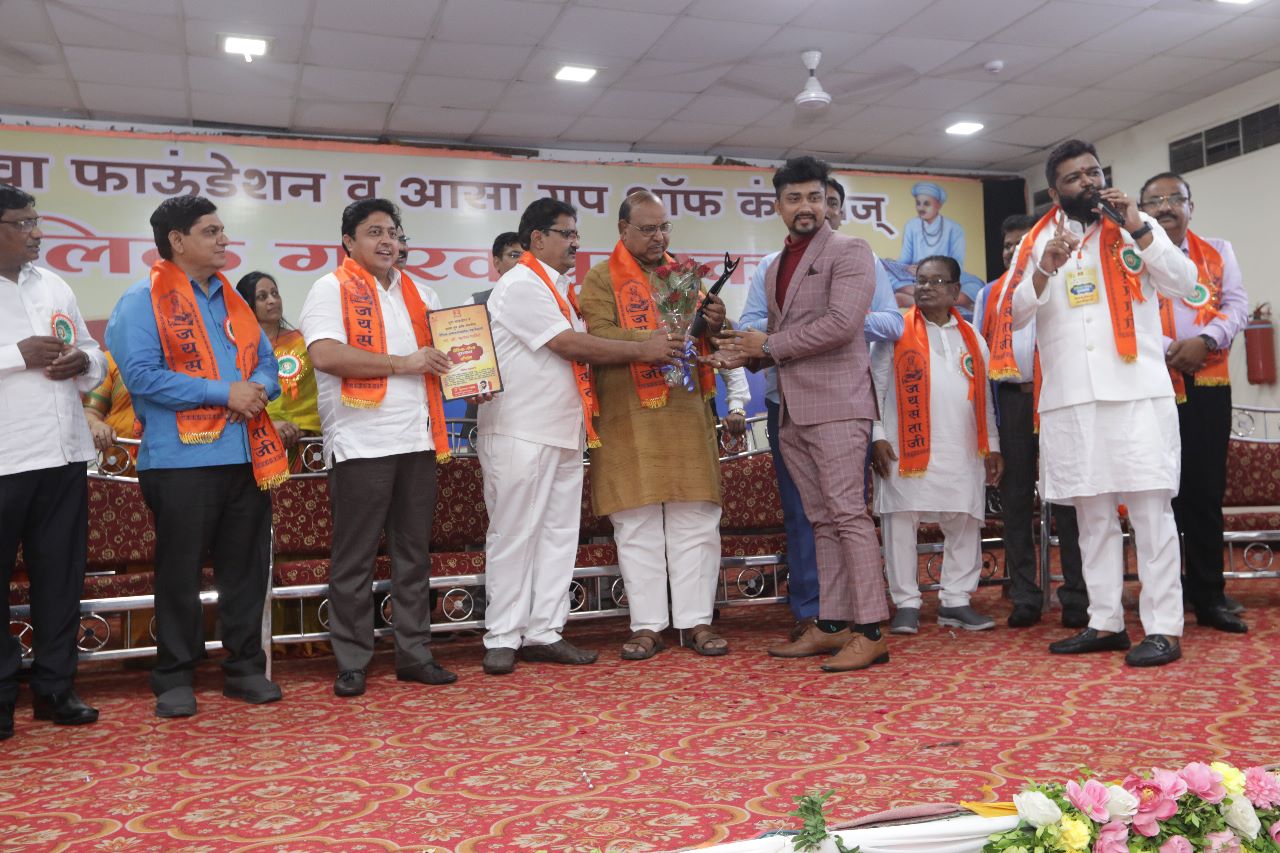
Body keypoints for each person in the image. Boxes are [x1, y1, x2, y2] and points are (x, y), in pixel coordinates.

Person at [1011, 139, 1198, 667]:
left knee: (1151, 515)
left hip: (1137, 395)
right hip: (1073, 401)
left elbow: (1184, 284)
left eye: (1094, 172)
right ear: (1055, 192)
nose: (1088, 183)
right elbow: (1016, 314)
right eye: (1074, 178)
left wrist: (1138, 226)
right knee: (1092, 518)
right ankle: (1105, 622)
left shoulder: (1136, 225)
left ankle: (1163, 628)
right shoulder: (1037, 239)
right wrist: (1045, 269)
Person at [477, 198, 676, 675]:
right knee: (514, 534)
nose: (576, 243)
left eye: (576, 234)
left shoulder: (560, 288)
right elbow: (567, 345)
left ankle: (544, 631)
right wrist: (642, 349)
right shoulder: (521, 284)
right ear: (537, 238)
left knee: (558, 535)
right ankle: (502, 635)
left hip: (565, 430)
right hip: (521, 430)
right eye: (566, 234)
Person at [107, 194, 286, 717]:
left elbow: (268, 362)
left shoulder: (233, 300)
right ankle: (174, 675)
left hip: (244, 455)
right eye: (211, 231)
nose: (224, 239)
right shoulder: (141, 300)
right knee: (180, 573)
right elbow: (142, 377)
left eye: (222, 230)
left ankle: (245, 668)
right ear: (177, 241)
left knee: (245, 571)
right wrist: (225, 393)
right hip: (179, 462)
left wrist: (257, 389)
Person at [716, 156, 889, 673]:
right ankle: (833, 625)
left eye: (814, 197)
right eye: (794, 198)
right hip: (791, 408)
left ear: (827, 202)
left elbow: (842, 324)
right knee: (821, 519)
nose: (806, 206)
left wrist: (767, 345)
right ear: (778, 206)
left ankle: (871, 630)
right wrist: (740, 353)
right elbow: (770, 335)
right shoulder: (774, 267)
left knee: (849, 515)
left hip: (838, 405)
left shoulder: (850, 250)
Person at [299, 198, 456, 696]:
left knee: (414, 554)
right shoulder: (329, 289)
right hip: (361, 442)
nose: (387, 241)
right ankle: (352, 659)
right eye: (374, 232)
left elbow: (443, 359)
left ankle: (415, 653)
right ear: (348, 242)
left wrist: (473, 379)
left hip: (418, 438)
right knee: (356, 557)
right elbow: (325, 354)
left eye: (393, 232)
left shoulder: (422, 293)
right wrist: (404, 363)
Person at [578, 190, 729, 661]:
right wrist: (651, 341)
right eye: (648, 229)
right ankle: (646, 625)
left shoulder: (683, 274)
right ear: (623, 230)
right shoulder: (600, 278)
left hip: (685, 413)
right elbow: (598, 335)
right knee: (636, 521)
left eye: (664, 227)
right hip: (628, 418)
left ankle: (696, 621)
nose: (659, 237)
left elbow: (709, 337)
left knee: (695, 518)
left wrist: (716, 321)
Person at [1, 182, 107, 738]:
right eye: (22, 223)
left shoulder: (54, 284)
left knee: (60, 578)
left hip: (63, 454)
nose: (36, 232)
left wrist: (81, 363)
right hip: (4, 457)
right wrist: (14, 356)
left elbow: (92, 352)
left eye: (35, 220)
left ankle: (55, 689)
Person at [1139, 171, 1250, 633]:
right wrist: (1170, 347)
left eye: (1175, 198)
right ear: (1142, 210)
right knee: (1159, 494)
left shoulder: (1218, 251)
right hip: (1152, 384)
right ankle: (1165, 594)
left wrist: (1205, 341)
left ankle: (1209, 596)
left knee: (1204, 494)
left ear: (1191, 206)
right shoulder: (1130, 256)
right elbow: (1127, 315)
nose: (1165, 206)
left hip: (1207, 383)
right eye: (1155, 200)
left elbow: (1237, 305)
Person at [870, 255, 1002, 634]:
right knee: (901, 519)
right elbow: (874, 388)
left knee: (964, 520)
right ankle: (906, 603)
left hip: (962, 446)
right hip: (903, 445)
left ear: (956, 291)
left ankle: (956, 600)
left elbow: (984, 397)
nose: (926, 288)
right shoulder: (895, 330)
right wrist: (876, 435)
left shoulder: (973, 337)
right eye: (921, 281)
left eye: (936, 281)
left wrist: (992, 444)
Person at [974, 214, 1088, 629]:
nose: (1012, 251)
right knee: (1016, 502)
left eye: (1022, 242)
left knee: (1069, 500)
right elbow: (980, 356)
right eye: (1007, 245)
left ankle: (1077, 596)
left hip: (1057, 397)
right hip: (1012, 402)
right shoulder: (990, 293)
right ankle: (1024, 595)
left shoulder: (1063, 283)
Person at [235, 271, 321, 464]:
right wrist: (270, 426)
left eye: (275, 293)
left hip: (305, 443)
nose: (272, 300)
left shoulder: (303, 342)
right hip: (255, 444)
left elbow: (314, 396)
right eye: (262, 297)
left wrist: (298, 427)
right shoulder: (236, 350)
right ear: (247, 304)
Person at [83, 349, 139, 474]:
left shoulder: (181, 362)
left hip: (172, 459)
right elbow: (90, 412)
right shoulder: (112, 359)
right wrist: (96, 424)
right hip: (119, 464)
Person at [899, 181, 965, 269]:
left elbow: (958, 264)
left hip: (944, 274)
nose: (921, 208)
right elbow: (905, 260)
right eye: (918, 203)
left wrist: (931, 270)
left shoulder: (954, 228)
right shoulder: (911, 225)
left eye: (926, 204)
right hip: (915, 274)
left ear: (939, 205)